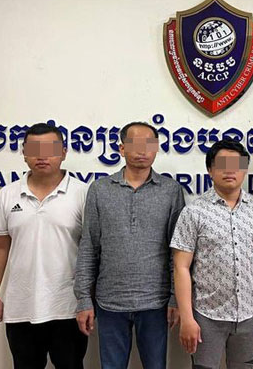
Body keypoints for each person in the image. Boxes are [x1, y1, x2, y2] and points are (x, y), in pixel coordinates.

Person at [74, 121, 185, 369]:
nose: (142, 150)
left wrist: (175, 298)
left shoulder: (171, 191)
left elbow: (177, 252)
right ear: (122, 149)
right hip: (109, 302)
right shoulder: (100, 190)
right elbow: (89, 247)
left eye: (149, 144)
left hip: (155, 302)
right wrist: (83, 299)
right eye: (135, 144)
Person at [171, 139, 253, 369]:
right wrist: (187, 318)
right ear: (210, 170)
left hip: (250, 312)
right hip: (206, 315)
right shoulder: (194, 212)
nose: (230, 171)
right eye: (222, 164)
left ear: (245, 170)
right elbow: (181, 267)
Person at [0, 122, 88, 369]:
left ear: (63, 152)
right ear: (24, 153)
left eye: (50, 149)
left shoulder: (83, 193)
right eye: (34, 150)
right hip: (21, 306)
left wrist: (88, 300)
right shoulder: (8, 194)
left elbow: (92, 251)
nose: (42, 156)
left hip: (68, 307)